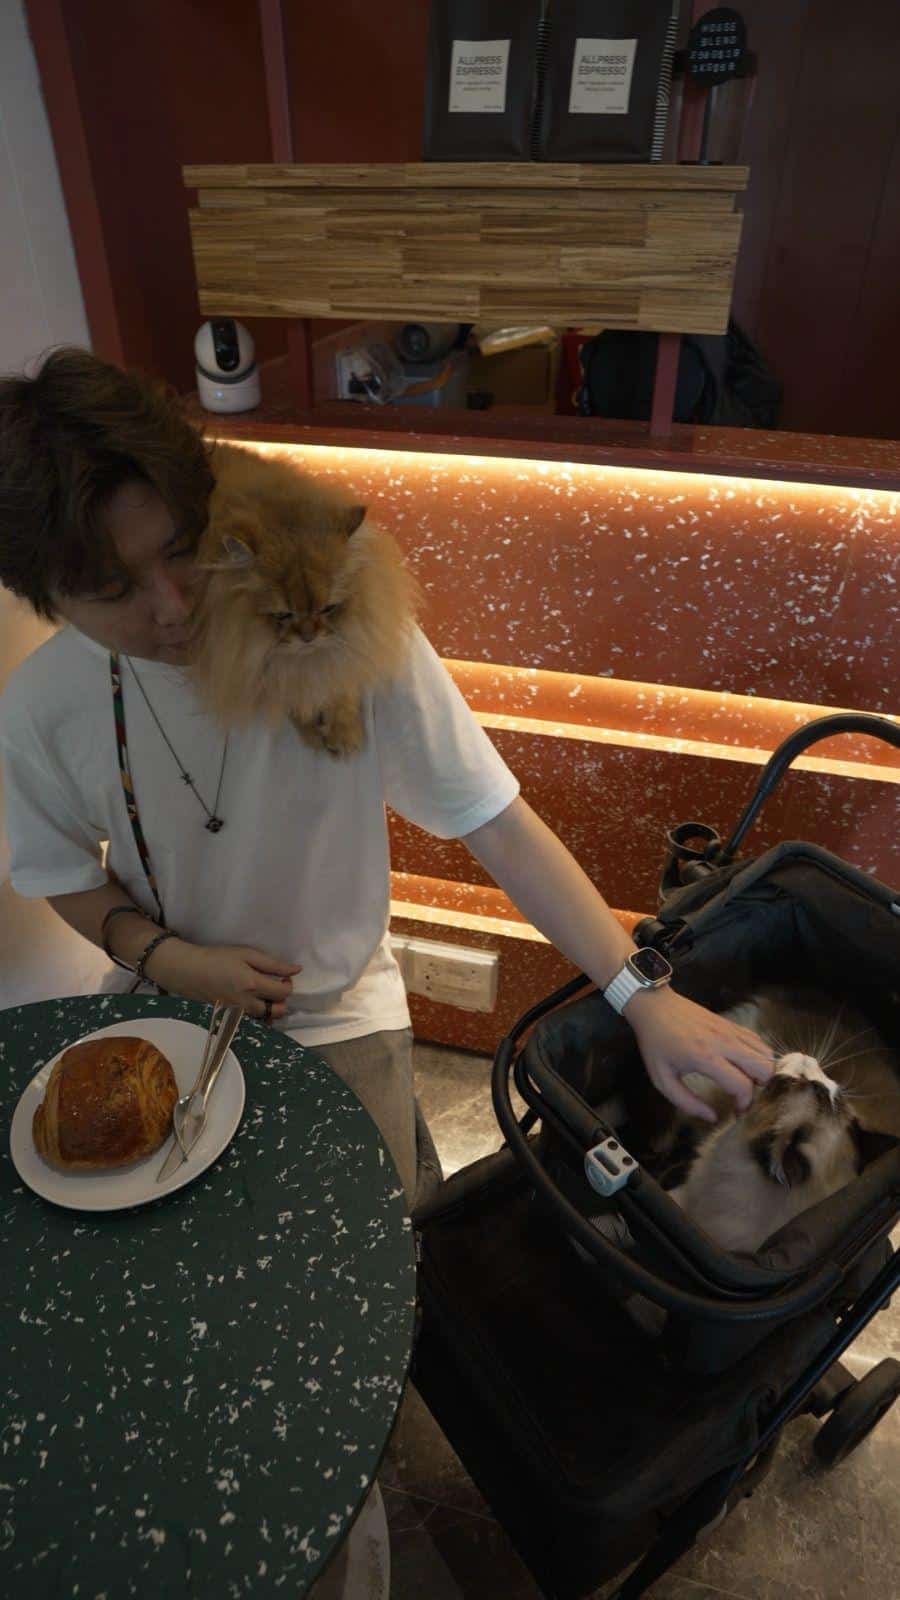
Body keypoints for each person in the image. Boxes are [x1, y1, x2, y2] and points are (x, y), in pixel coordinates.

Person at [0, 349, 773, 1208]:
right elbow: (62, 876)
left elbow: (495, 820)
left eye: (182, 551)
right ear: (48, 598)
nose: (175, 605)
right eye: (114, 589)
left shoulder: (345, 640)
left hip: (337, 1011)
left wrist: (640, 995)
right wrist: (172, 959)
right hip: (163, 1005)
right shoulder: (44, 705)